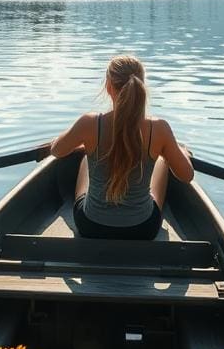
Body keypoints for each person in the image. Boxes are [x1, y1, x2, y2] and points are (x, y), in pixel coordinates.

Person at [50, 55, 194, 239]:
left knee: (87, 157)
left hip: (91, 227)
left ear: (108, 87)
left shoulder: (90, 123)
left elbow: (56, 150)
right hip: (142, 229)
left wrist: (84, 143)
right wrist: (178, 149)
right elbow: (187, 175)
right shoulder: (158, 129)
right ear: (142, 85)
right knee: (162, 160)